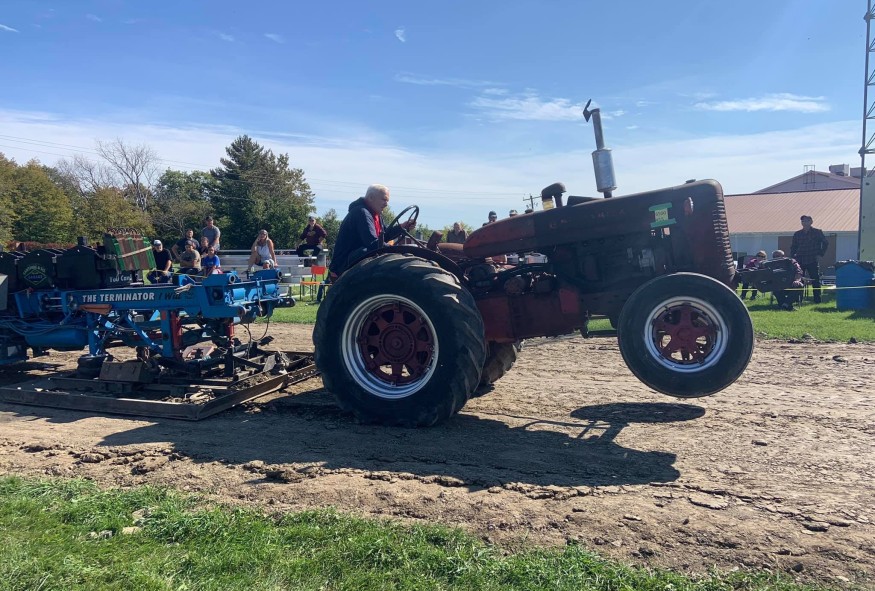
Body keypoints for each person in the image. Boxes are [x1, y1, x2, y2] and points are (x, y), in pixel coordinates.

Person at [329, 184, 415, 278]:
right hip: (344, 265)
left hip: (355, 259)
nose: (386, 204)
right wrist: (399, 251)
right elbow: (373, 243)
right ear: (370, 198)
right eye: (384, 199)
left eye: (387, 201)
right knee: (371, 251)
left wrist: (402, 227)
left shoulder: (376, 215)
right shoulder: (361, 212)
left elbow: (384, 236)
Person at [790, 214, 828, 304]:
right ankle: (798, 299)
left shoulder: (817, 232)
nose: (804, 222)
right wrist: (793, 258)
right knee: (799, 279)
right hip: (800, 259)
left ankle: (817, 300)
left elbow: (825, 243)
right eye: (803, 221)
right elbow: (793, 247)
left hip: (812, 259)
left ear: (811, 222)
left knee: (815, 279)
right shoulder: (797, 234)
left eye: (807, 220)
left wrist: (820, 254)